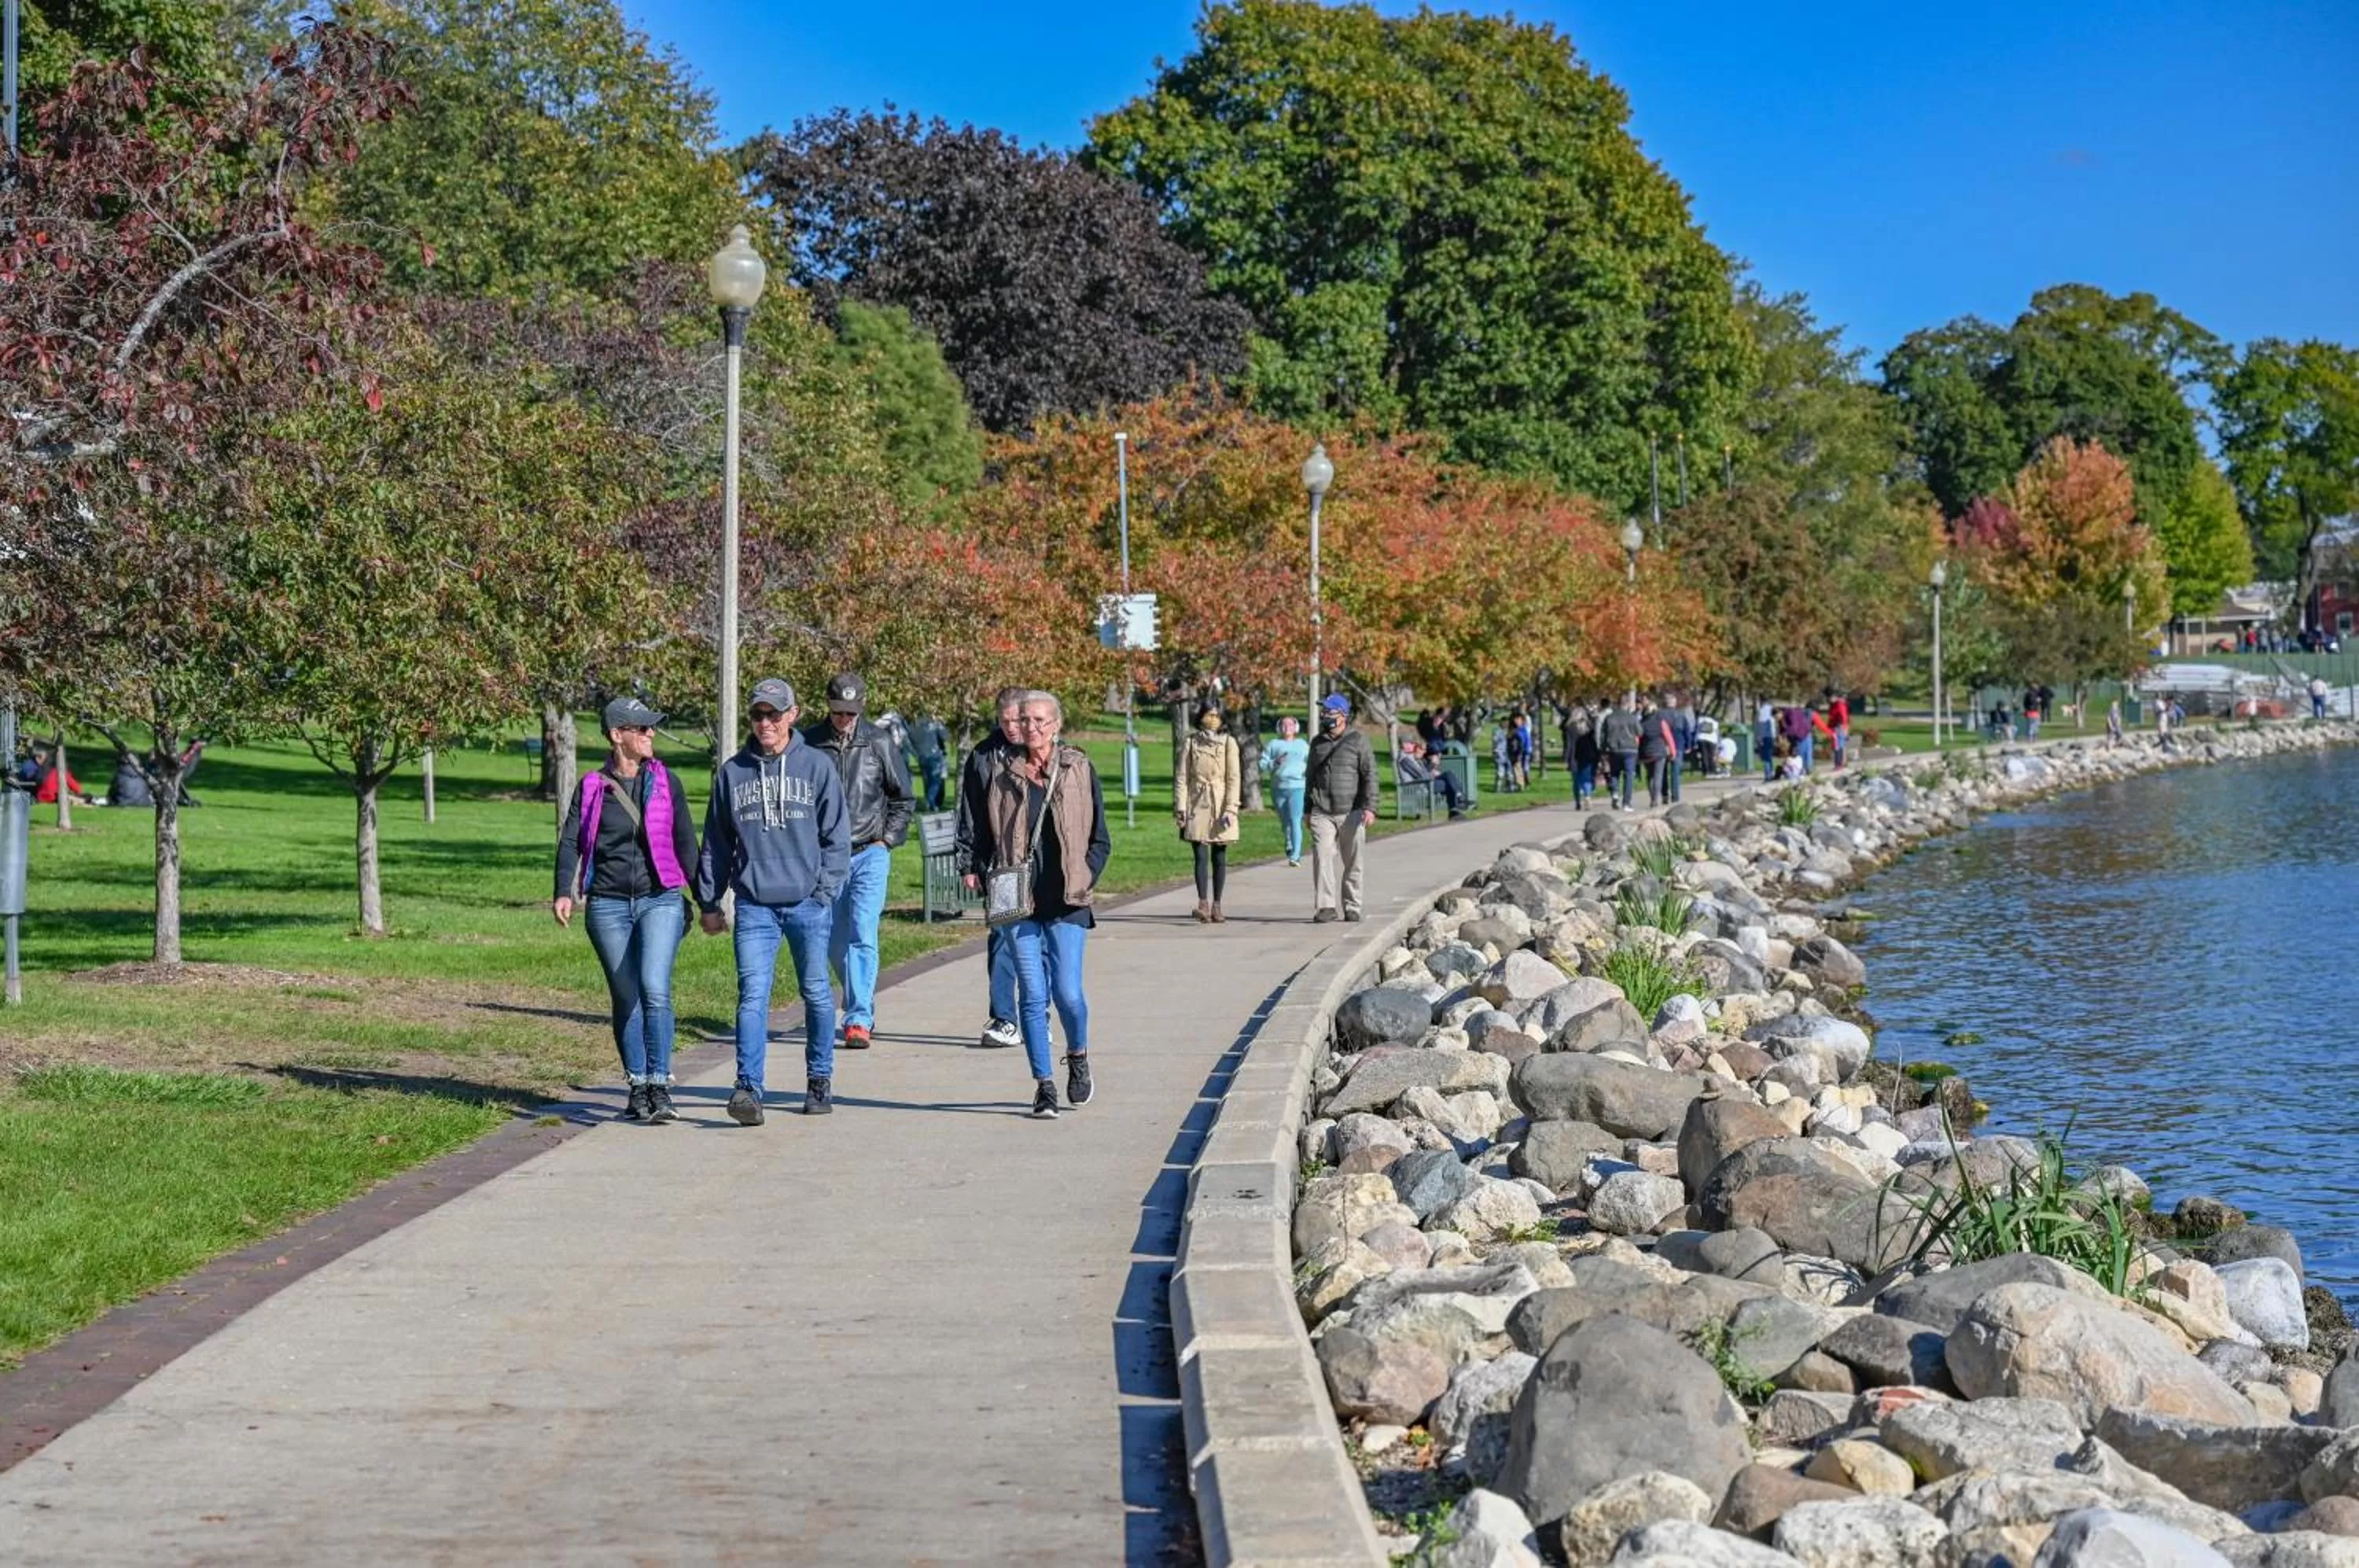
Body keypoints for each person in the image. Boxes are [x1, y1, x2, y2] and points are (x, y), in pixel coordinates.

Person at [694, 677, 849, 1124]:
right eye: (759, 714)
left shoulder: (817, 767)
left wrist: (824, 892)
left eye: (774, 714)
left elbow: (836, 837)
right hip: (754, 905)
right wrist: (709, 900)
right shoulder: (732, 772)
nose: (766, 723)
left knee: (817, 993)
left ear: (792, 715)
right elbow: (717, 844)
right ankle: (748, 1088)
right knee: (752, 997)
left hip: (807, 903)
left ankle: (819, 1078)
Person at [554, 698, 702, 1124]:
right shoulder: (592, 787)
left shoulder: (666, 782)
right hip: (608, 904)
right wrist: (563, 890)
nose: (650, 734)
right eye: (642, 729)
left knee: (655, 987)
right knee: (626, 995)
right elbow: (570, 842)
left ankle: (660, 1084)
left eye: (651, 728)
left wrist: (707, 900)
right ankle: (637, 1086)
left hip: (661, 898)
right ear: (618, 735)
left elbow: (686, 843)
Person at [968, 691, 1110, 1120]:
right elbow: (982, 831)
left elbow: (1100, 837)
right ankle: (1044, 1085)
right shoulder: (1002, 773)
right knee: (1031, 993)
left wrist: (1085, 874)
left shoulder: (1078, 768)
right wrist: (979, 870)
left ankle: (1079, 1055)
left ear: (1057, 724)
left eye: (1040, 720)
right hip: (1019, 899)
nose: (1031, 727)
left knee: (1067, 991)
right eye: (1025, 720)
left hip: (1067, 898)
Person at [804, 672, 914, 1052]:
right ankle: (860, 996)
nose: (844, 719)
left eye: (851, 712)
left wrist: (887, 840)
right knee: (834, 943)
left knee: (862, 933)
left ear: (862, 707)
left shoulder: (879, 743)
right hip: (825, 857)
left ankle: (858, 1017)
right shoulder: (808, 743)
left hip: (869, 852)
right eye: (838, 712)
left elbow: (902, 799)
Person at [956, 689, 1030, 1049]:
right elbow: (969, 811)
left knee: (1038, 942)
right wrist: (969, 861)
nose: (1012, 727)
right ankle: (1004, 1017)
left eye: (1018, 720)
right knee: (1002, 940)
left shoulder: (1045, 753)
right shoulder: (984, 755)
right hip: (1000, 864)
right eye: (1005, 721)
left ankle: (1036, 1012)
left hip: (1038, 863)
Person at [1304, 693, 1377, 922]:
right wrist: (1307, 809)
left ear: (1343, 716)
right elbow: (1310, 777)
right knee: (1322, 856)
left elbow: (1370, 775)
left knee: (1353, 861)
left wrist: (1370, 807)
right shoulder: (1317, 742)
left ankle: (1352, 905)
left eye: (1329, 712)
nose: (1325, 716)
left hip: (1352, 811)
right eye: (1323, 712)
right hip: (1322, 810)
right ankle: (1325, 907)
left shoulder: (1358, 741)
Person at [1176, 701, 1242, 923]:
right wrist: (1181, 808)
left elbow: (1234, 778)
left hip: (1222, 803)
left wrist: (1231, 808)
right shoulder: (1191, 743)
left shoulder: (1228, 743)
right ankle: (1202, 903)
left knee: (1220, 856)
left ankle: (1217, 905)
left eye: (1216, 714)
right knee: (1200, 855)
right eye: (1209, 714)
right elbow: (1182, 777)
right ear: (1201, 716)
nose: (1213, 718)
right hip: (1197, 802)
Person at [1260, 715, 1309, 866]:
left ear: (1296, 728)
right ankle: (1289, 842)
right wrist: (1275, 762)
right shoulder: (1274, 744)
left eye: (1290, 724)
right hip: (1279, 788)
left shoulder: (1302, 745)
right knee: (1285, 821)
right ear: (1279, 728)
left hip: (1298, 787)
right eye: (1284, 725)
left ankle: (1296, 855)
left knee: (1295, 820)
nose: (1287, 727)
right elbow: (1262, 764)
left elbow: (1312, 762)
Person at [1398, 738, 1470, 818]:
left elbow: (1423, 773)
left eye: (1413, 744)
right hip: (1419, 786)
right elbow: (1421, 775)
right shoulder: (1405, 759)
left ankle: (1459, 798)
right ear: (1404, 745)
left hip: (1426, 782)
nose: (1413, 746)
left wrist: (1432, 769)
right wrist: (1432, 765)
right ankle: (1457, 806)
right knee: (1450, 784)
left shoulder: (1413, 758)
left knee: (1449, 775)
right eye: (1411, 744)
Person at [1599, 695, 1642, 812]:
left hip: (1614, 749)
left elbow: (1604, 735)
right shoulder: (1632, 718)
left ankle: (1615, 793)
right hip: (1630, 749)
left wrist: (1604, 750)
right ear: (1627, 704)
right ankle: (1626, 803)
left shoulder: (1610, 718)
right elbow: (1640, 731)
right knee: (1628, 775)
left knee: (1614, 772)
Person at [1636, 699, 1676, 808]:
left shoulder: (1642, 723)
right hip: (1659, 752)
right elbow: (1668, 737)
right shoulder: (1661, 722)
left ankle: (1652, 797)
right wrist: (1673, 752)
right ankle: (1655, 799)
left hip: (1646, 753)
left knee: (1650, 776)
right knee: (1658, 776)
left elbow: (1637, 739)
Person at [909, 711, 950, 812]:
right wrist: (941, 723)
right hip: (934, 754)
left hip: (921, 756)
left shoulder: (913, 725)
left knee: (927, 781)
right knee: (935, 782)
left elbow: (911, 741)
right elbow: (946, 736)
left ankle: (930, 803)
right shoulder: (933, 722)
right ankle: (931, 803)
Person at [1567, 703, 1600, 808]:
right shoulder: (1590, 727)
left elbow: (1569, 744)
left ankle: (1578, 802)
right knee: (1586, 777)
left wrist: (1567, 757)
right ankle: (1587, 795)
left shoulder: (1570, 728)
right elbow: (1594, 742)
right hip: (1588, 755)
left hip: (1575, 755)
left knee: (1576, 780)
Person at [1664, 695, 1693, 802]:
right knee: (1675, 772)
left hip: (1664, 745)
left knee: (1663, 771)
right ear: (1674, 703)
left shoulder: (1661, 715)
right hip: (1678, 746)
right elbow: (1687, 731)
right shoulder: (1681, 715)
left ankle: (1665, 795)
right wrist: (1689, 745)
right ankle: (1675, 796)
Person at [1827, 690, 1851, 769]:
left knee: (1838, 745)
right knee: (1839, 745)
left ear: (1834, 697)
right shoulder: (1834, 705)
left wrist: (1844, 728)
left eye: (1830, 698)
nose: (1829, 700)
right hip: (1837, 726)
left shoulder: (1839, 704)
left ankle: (1839, 764)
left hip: (1839, 727)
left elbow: (1843, 716)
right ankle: (1840, 763)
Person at [1756, 698, 1777, 784]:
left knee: (1765, 757)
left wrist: (1758, 738)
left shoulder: (1761, 711)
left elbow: (1759, 726)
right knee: (1769, 756)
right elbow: (1773, 725)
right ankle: (1771, 773)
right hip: (1771, 737)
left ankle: (1768, 775)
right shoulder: (1771, 710)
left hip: (1764, 737)